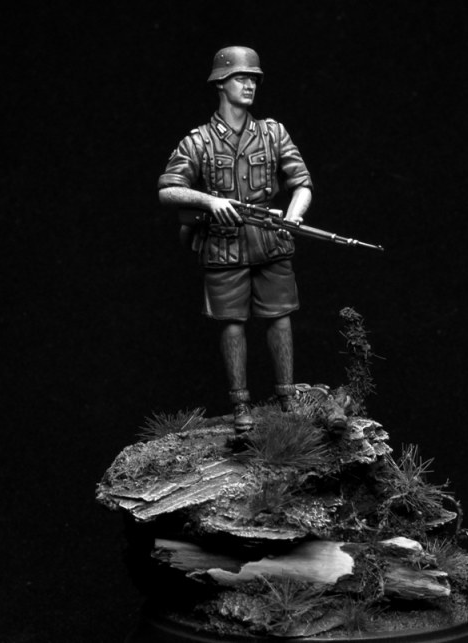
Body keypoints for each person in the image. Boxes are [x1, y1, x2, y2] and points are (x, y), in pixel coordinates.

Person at [158, 46, 313, 431]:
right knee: (231, 323)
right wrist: (210, 201)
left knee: (280, 317)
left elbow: (302, 183)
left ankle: (287, 397)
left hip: (271, 239)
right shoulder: (199, 142)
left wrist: (294, 215)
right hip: (224, 245)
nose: (249, 85)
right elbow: (168, 190)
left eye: (253, 79)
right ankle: (240, 404)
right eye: (240, 78)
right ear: (220, 84)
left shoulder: (273, 133)